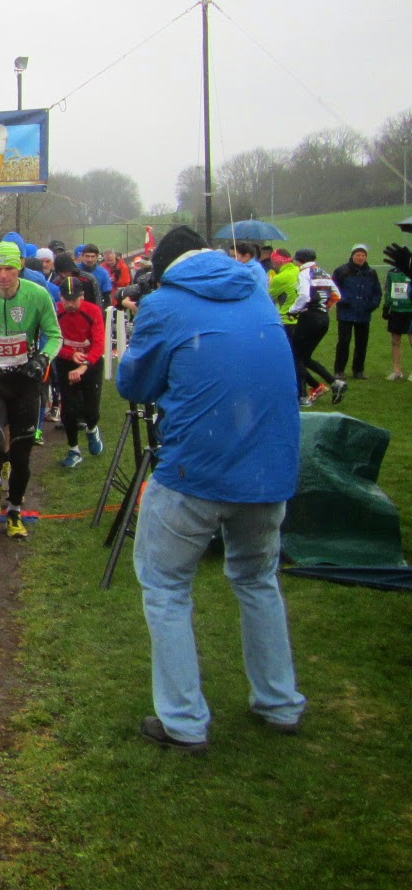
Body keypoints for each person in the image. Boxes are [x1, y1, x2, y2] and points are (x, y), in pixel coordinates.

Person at [116, 225, 305, 751]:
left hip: (195, 472)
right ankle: (279, 701)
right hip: (269, 473)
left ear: (164, 271)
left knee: (165, 586)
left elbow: (133, 384)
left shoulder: (164, 304)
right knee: (258, 579)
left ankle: (182, 721)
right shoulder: (257, 288)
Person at [0, 241, 62, 539]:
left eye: (9, 268)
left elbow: (55, 335)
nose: (3, 275)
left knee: (21, 456)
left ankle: (15, 511)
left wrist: (43, 358)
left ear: (20, 267)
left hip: (25, 382)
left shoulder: (38, 294)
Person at [52, 275, 106, 468]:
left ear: (82, 296)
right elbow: (51, 340)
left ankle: (92, 429)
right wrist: (70, 354)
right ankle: (73, 449)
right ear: (60, 297)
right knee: (69, 408)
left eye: (74, 299)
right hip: (66, 363)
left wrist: (84, 365)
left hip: (91, 363)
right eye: (66, 300)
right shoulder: (55, 311)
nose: (70, 304)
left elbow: (99, 344)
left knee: (91, 410)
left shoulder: (93, 311)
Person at [287, 249, 343, 405]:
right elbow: (337, 295)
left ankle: (302, 396)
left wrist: (293, 310)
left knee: (295, 356)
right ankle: (335, 383)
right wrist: (324, 308)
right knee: (305, 357)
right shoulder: (323, 272)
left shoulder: (304, 273)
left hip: (309, 318)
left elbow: (304, 296)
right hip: (323, 318)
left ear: (299, 260)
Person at [332, 244, 381, 381]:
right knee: (344, 342)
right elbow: (332, 289)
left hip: (364, 312)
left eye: (363, 255)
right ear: (352, 255)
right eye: (358, 255)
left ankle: (358, 370)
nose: (360, 258)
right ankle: (339, 370)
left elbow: (377, 291)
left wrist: (373, 304)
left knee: (362, 343)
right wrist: (344, 301)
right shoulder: (341, 271)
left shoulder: (371, 272)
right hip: (346, 313)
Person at [385, 242, 412, 380]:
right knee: (395, 341)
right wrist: (386, 306)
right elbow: (388, 289)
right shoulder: (392, 272)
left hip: (410, 310)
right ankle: (396, 370)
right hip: (396, 310)